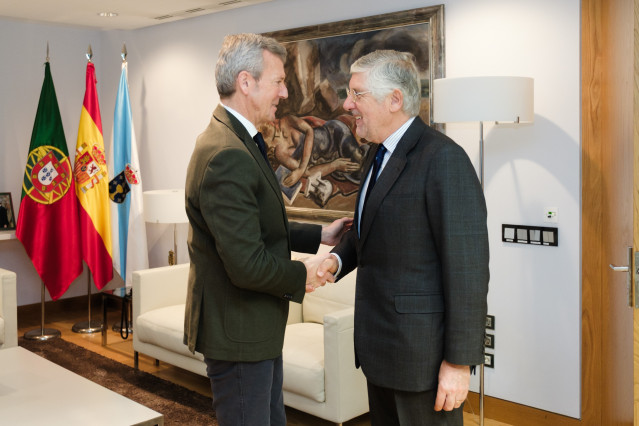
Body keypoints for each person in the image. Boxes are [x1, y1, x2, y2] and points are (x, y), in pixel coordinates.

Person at [183, 33, 351, 426]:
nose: (285, 92)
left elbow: (257, 223)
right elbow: (247, 263)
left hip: (253, 327)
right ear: (246, 82)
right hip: (239, 331)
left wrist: (319, 237)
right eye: (278, 81)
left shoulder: (239, 139)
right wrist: (304, 273)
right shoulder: (226, 153)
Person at [317, 50, 490, 425]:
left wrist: (459, 364)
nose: (347, 104)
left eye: (356, 93)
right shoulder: (376, 154)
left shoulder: (443, 159)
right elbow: (370, 229)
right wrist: (338, 259)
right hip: (380, 350)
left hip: (421, 359)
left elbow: (468, 272)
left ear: (394, 100)